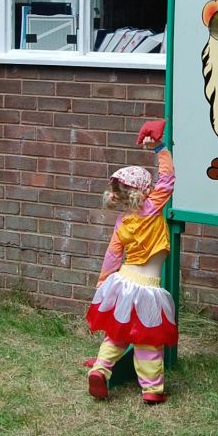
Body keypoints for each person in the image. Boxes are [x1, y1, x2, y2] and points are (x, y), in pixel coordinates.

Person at [86, 118, 176, 404]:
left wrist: (103, 283)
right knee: (148, 340)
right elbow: (168, 178)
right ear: (145, 191)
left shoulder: (122, 222)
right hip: (147, 287)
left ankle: (100, 370)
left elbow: (112, 256)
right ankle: (151, 389)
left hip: (122, 283)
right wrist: (160, 147)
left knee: (117, 334)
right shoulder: (152, 208)